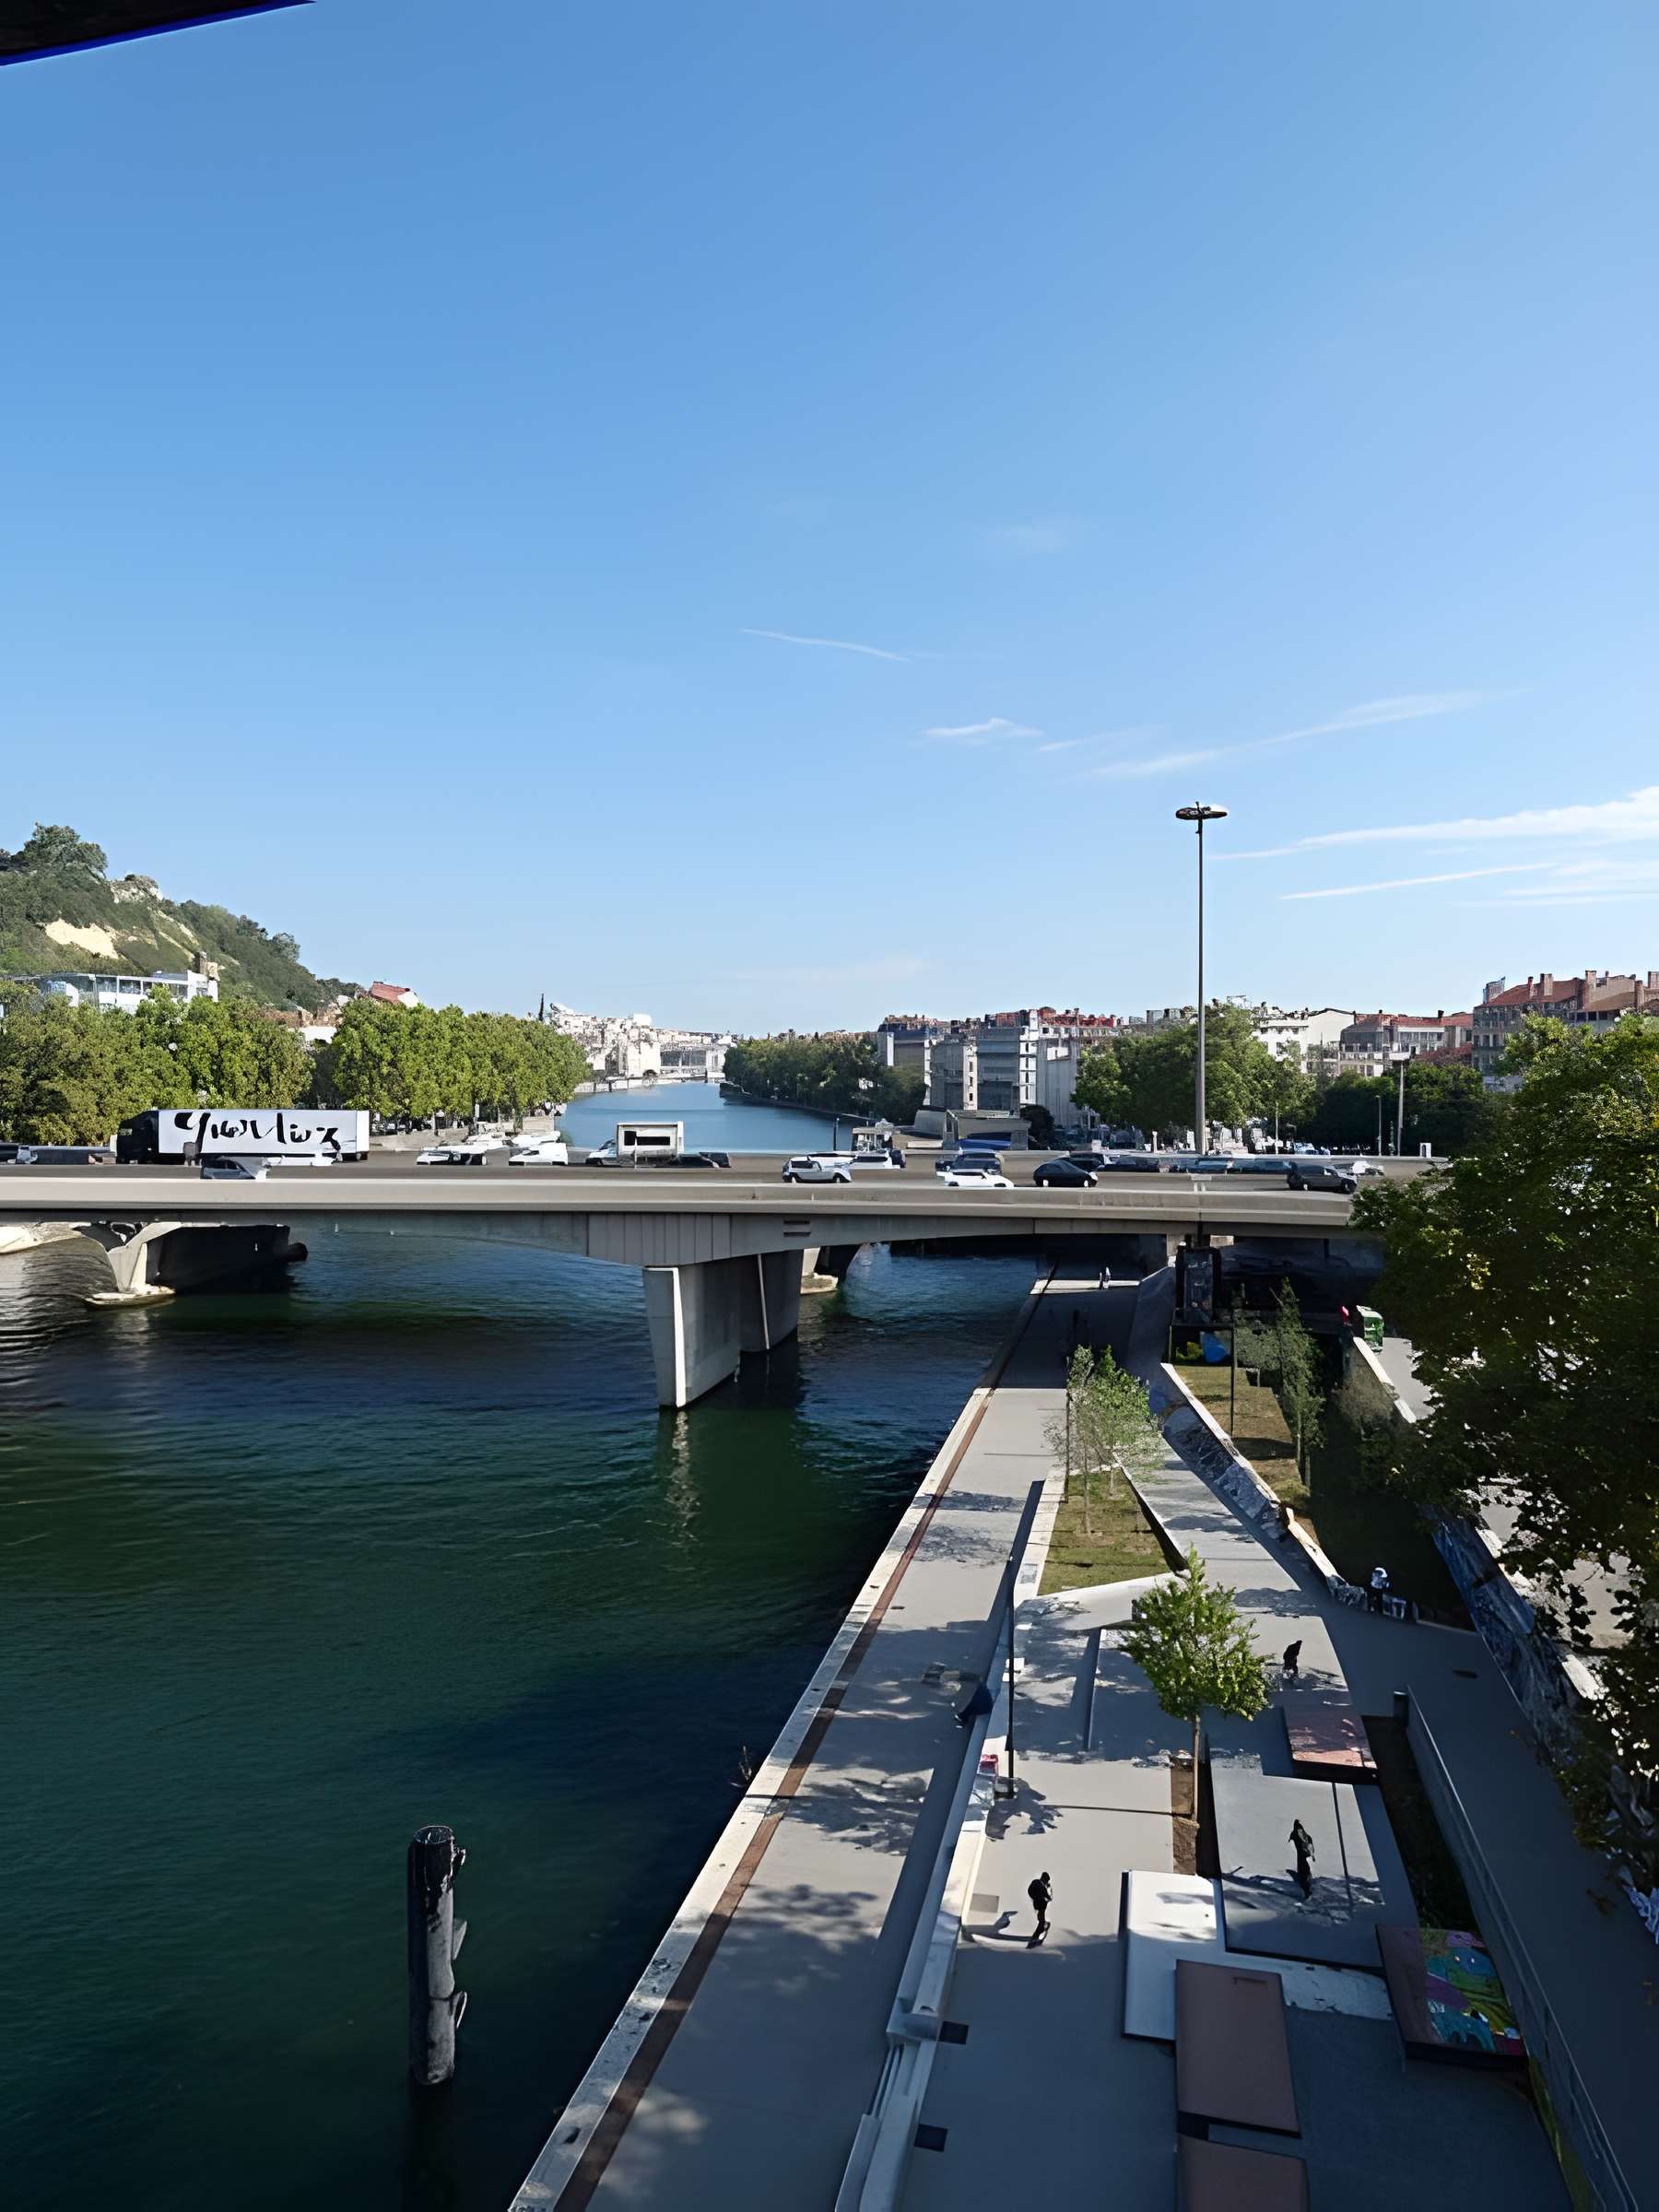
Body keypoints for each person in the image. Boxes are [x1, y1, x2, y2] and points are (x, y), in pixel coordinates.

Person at [1289, 1819, 1315, 1900]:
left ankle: (1307, 1890)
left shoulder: (1295, 1833)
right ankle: (1307, 1889)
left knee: (1303, 1874)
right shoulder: (1306, 1836)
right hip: (1303, 1857)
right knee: (1305, 1872)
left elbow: (1291, 1838)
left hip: (1301, 1857)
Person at [1027, 1870, 1053, 1947]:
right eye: (1047, 1880)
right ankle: (1034, 1938)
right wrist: (1046, 1897)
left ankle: (1041, 1929)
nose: (1047, 1882)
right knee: (1041, 1923)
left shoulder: (1039, 1884)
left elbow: (1048, 1896)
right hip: (1040, 1905)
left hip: (1039, 1905)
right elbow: (1045, 1894)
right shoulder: (1038, 1883)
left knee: (1041, 1921)